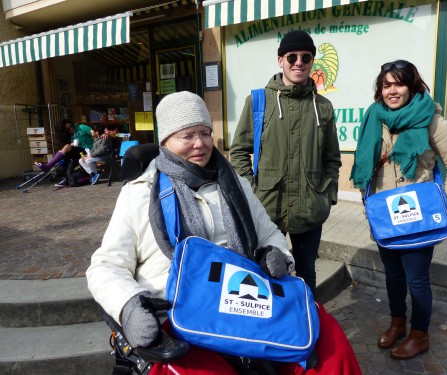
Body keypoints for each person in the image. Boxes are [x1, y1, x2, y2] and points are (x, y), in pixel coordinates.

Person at [87, 91, 361, 374]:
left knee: (327, 338)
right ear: (165, 141)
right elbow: (106, 266)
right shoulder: (140, 194)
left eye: (205, 133)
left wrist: (275, 252)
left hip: (243, 299)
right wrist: (128, 305)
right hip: (180, 309)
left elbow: (269, 234)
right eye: (187, 135)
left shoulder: (236, 184)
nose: (200, 144)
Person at [350, 60, 447, 360]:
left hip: (418, 219)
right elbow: (367, 164)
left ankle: (420, 334)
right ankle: (397, 323)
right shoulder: (373, 118)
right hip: (384, 217)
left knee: (417, 280)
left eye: (398, 84)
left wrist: (444, 206)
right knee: (392, 276)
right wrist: (368, 203)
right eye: (386, 84)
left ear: (412, 86)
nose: (392, 91)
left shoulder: (431, 121)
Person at [230, 30, 342, 296]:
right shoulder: (258, 101)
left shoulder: (323, 106)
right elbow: (238, 153)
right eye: (292, 56)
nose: (299, 62)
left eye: (306, 57)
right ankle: (275, 331)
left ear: (312, 61)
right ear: (281, 60)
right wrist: (254, 194)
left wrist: (327, 195)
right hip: (268, 211)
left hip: (310, 209)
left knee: (307, 275)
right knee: (266, 274)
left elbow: (332, 158)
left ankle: (308, 328)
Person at [37, 120, 94, 187]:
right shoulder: (69, 135)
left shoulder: (82, 127)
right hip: (81, 153)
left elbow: (94, 133)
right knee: (65, 155)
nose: (71, 128)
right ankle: (68, 178)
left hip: (89, 150)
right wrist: (71, 145)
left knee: (66, 148)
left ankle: (49, 166)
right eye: (68, 129)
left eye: (71, 126)